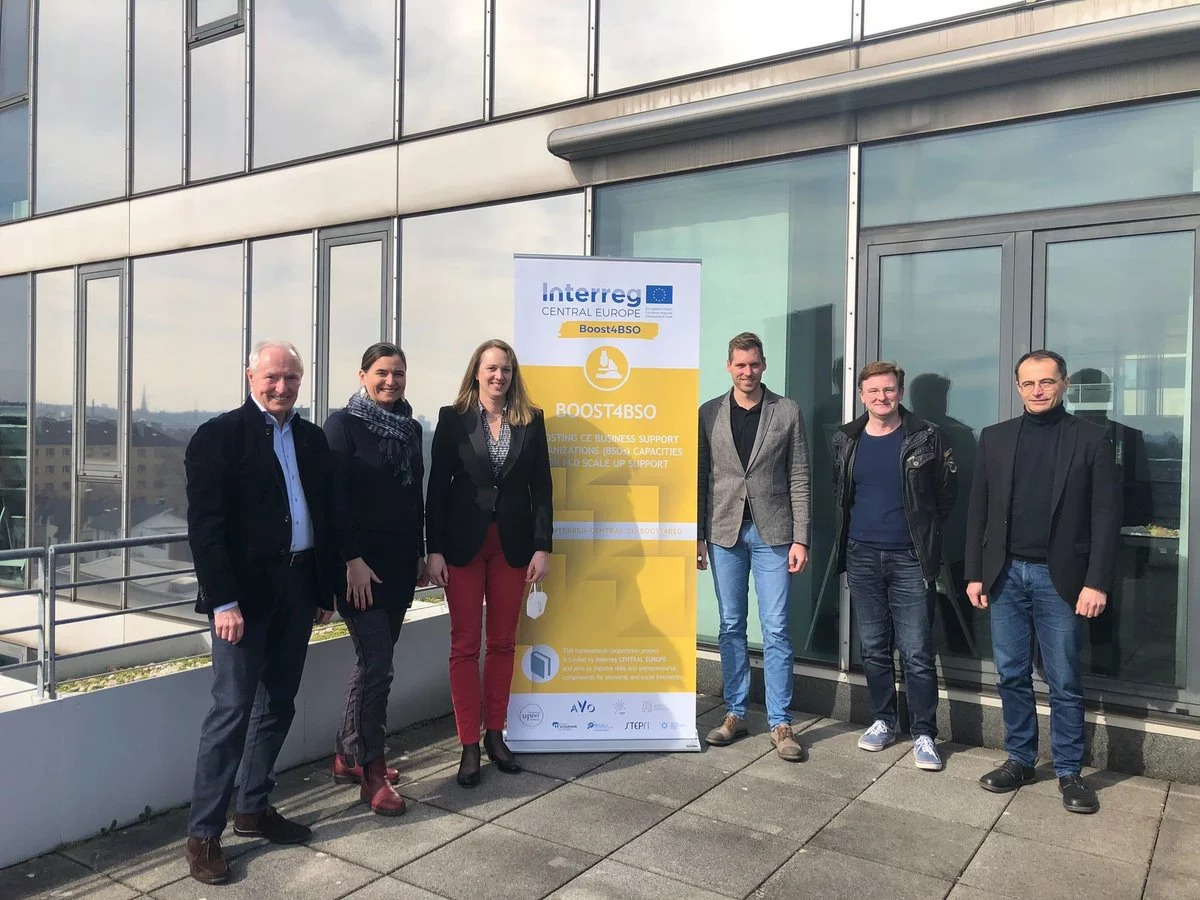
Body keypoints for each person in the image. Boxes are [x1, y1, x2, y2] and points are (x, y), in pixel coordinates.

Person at [183, 341, 339, 884]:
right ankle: (204, 834)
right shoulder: (219, 437)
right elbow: (205, 529)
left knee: (279, 705)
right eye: (273, 376)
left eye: (292, 378)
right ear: (250, 375)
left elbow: (325, 516)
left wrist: (324, 592)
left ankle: (252, 806)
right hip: (243, 600)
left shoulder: (312, 438)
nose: (283, 387)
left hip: (298, 588)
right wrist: (223, 600)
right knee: (231, 712)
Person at [966, 350, 1120, 814]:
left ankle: (1070, 770)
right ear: (1017, 387)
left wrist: (1097, 581)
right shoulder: (994, 438)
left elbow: (1106, 516)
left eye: (1047, 382)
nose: (1038, 390)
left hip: (1064, 580)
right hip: (1006, 574)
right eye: (1029, 383)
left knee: (1064, 678)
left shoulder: (1092, 439)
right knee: (1011, 673)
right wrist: (975, 571)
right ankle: (1020, 759)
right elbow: (979, 510)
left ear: (1064, 384)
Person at [426, 338, 552, 788]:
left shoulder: (531, 421)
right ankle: (467, 745)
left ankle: (495, 735)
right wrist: (433, 548)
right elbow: (437, 487)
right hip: (461, 546)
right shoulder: (452, 418)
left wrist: (542, 547)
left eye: (506, 370)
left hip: (514, 547)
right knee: (464, 645)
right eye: (492, 369)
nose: (499, 376)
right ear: (476, 372)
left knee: (502, 643)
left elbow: (542, 488)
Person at [831, 361, 956, 771]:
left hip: (909, 557)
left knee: (917, 651)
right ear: (862, 395)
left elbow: (944, 498)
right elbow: (842, 492)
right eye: (873, 391)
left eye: (888, 390)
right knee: (873, 647)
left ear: (899, 393)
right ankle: (883, 720)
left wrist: (926, 542)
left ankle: (923, 732)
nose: (881, 398)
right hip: (862, 554)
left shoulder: (926, 437)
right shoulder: (847, 438)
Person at [697, 332, 811, 762]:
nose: (747, 372)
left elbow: (799, 475)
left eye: (754, 364)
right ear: (729, 367)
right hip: (723, 532)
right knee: (730, 625)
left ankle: (781, 722)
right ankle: (735, 712)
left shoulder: (787, 411)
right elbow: (703, 477)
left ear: (764, 365)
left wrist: (801, 536)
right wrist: (697, 535)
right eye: (740, 365)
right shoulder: (709, 413)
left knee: (777, 626)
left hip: (774, 535)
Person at [325, 342, 427, 816]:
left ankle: (348, 755)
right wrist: (351, 559)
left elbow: (415, 497)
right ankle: (372, 772)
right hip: (359, 571)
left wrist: (423, 554)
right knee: (379, 667)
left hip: (400, 564)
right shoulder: (341, 425)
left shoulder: (410, 429)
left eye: (399, 373)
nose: (391, 381)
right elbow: (334, 500)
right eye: (382, 372)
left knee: (371, 666)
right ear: (362, 374)